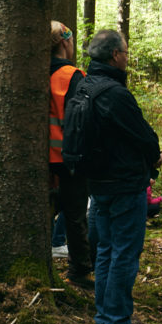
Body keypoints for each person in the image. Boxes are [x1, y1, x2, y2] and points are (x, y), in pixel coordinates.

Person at [80, 30, 162, 324]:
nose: (127, 58)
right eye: (126, 53)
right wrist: (153, 156)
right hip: (123, 184)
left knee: (105, 251)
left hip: (97, 182)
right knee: (124, 254)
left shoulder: (84, 86)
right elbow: (143, 136)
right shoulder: (114, 93)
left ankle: (104, 321)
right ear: (115, 55)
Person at [49, 21, 94, 288]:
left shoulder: (30, 72)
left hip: (41, 159)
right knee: (76, 215)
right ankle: (79, 270)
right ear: (65, 42)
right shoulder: (73, 76)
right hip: (69, 158)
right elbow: (83, 119)